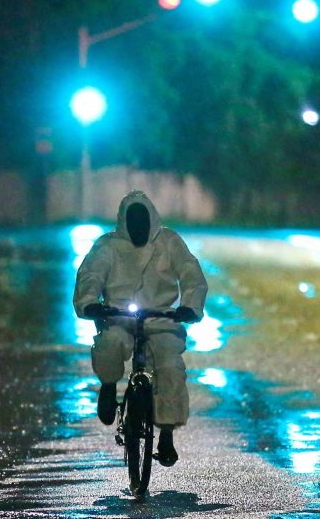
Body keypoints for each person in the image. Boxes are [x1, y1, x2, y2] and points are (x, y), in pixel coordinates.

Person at [74, 190, 208, 467]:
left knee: (170, 367)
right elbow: (91, 275)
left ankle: (167, 433)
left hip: (161, 320)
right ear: (124, 222)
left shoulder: (169, 242)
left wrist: (190, 306)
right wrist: (90, 303)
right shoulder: (108, 246)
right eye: (132, 221)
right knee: (109, 344)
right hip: (119, 317)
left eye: (142, 220)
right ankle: (109, 385)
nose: (138, 227)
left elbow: (191, 273)